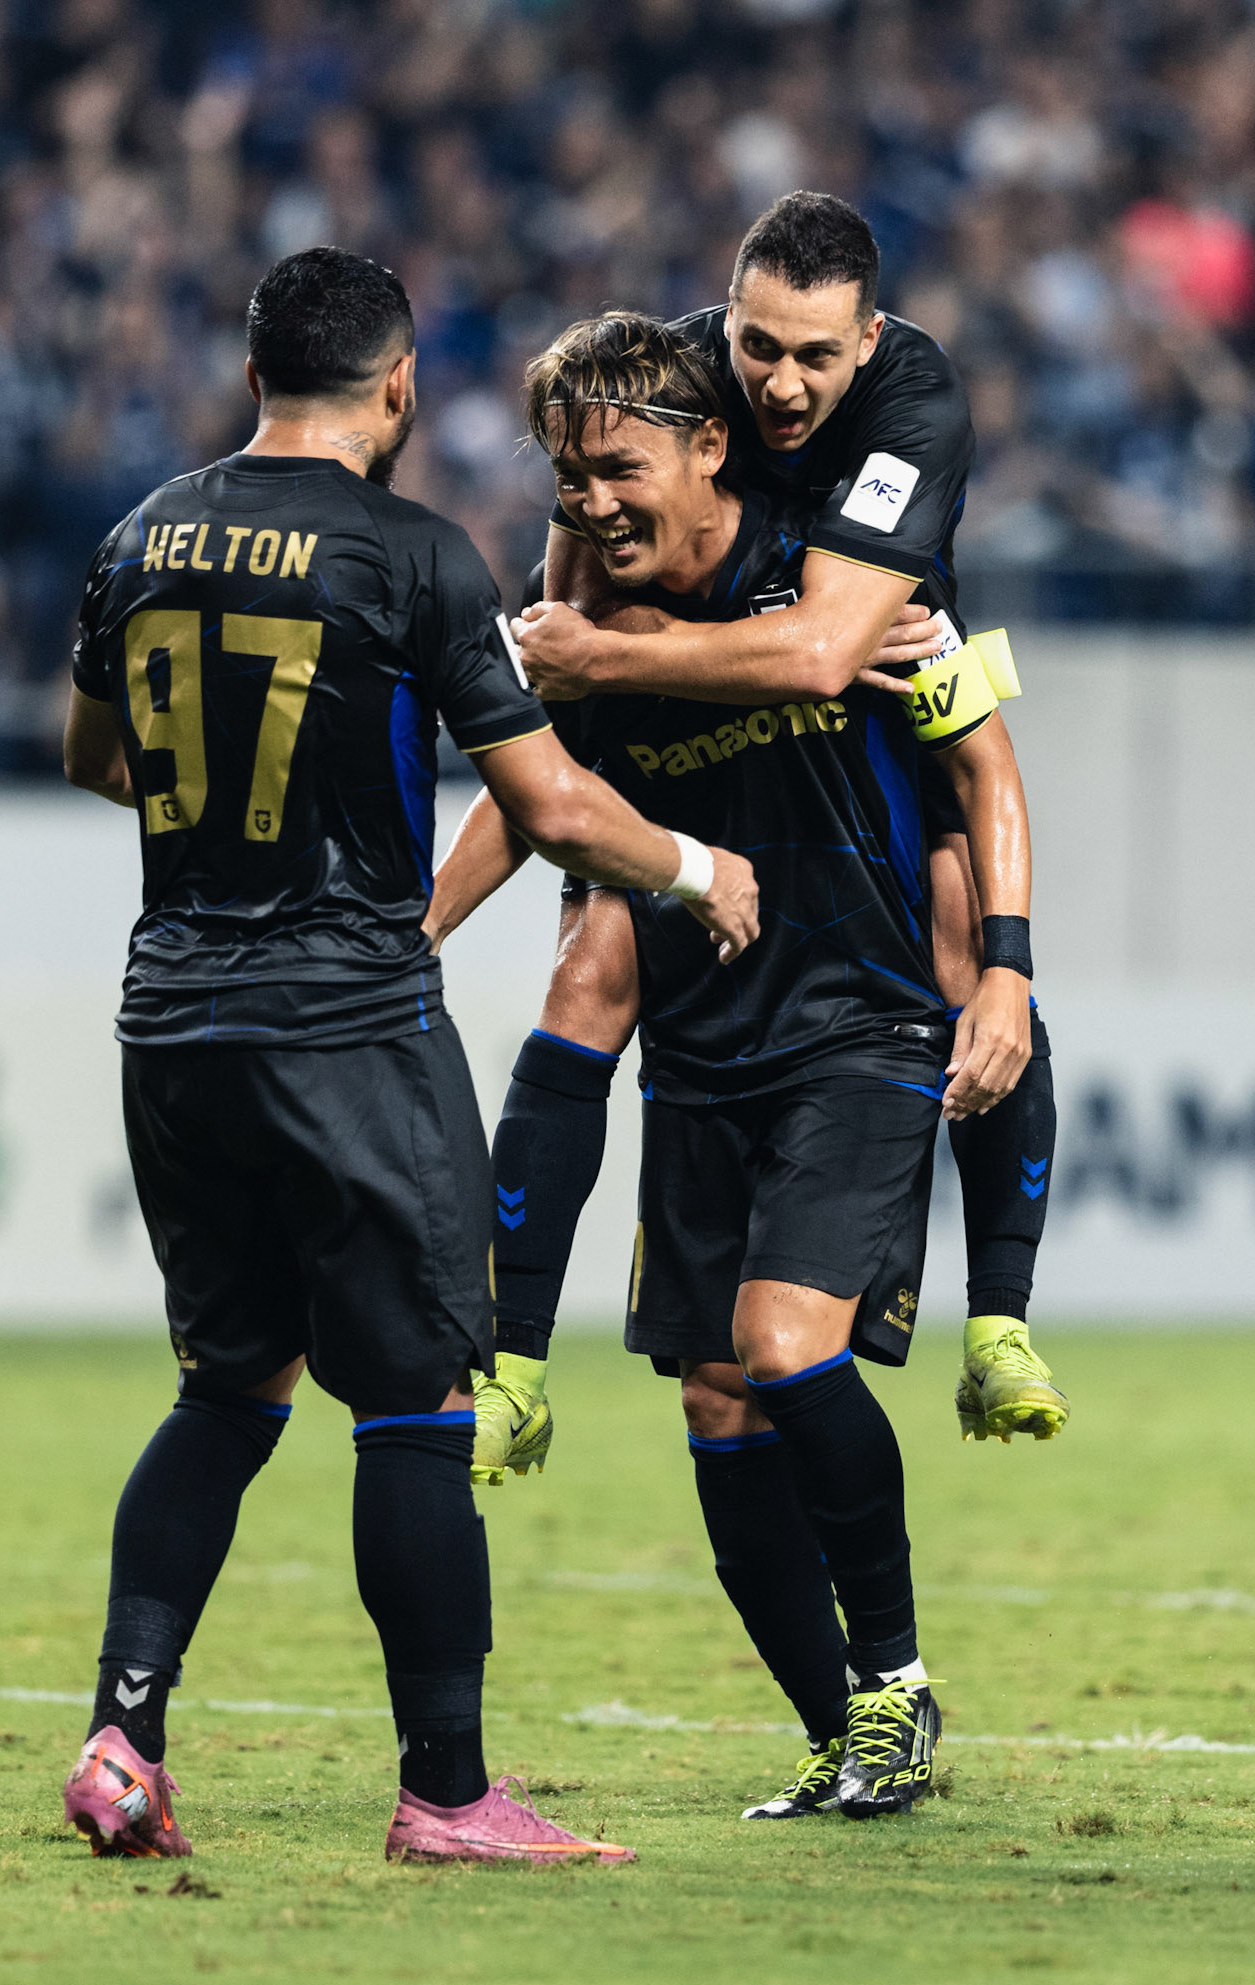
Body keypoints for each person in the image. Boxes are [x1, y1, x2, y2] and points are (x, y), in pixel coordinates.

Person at [57, 248, 757, 1867]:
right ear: (396, 386)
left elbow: (97, 757)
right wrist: (703, 873)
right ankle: (446, 1794)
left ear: (252, 379)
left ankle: (121, 1735)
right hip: (349, 1024)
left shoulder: (135, 537)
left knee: (229, 1388)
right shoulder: (415, 556)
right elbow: (557, 804)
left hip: (173, 1018)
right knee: (418, 1405)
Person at [432, 313, 1030, 1821]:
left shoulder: (853, 585)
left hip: (862, 1027)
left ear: (708, 449)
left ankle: (894, 1678)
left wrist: (1009, 965)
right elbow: (541, 793)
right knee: (713, 1402)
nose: (591, 506)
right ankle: (843, 1731)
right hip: (700, 1060)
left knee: (779, 1343)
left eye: (617, 469)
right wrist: (413, 928)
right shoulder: (587, 611)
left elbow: (980, 743)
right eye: (568, 480)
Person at [451, 193, 1063, 1482]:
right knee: (587, 969)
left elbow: (833, 649)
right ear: (726, 326)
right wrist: (567, 690)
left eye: (816, 357)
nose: (784, 385)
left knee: (969, 936)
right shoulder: (660, 397)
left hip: (871, 647)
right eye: (759, 348)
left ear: (869, 339)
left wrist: (617, 654)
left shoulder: (915, 406)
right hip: (711, 730)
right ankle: (512, 1366)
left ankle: (1000, 1323)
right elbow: (566, 626)